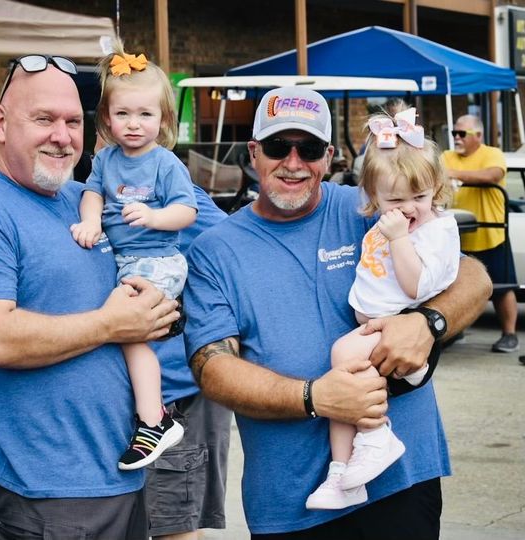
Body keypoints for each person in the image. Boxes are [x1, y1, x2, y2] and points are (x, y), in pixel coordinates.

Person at [183, 86, 491, 537]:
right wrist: (314, 397)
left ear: (328, 156)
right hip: (291, 499)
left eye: (308, 148)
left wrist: (428, 323)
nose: (293, 162)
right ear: (253, 153)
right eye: (277, 146)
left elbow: (473, 278)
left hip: (401, 482)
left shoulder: (373, 204)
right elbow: (213, 368)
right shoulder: (215, 250)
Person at [0, 54, 179, 539]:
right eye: (43, 119)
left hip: (120, 473)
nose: (62, 136)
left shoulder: (83, 199)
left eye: (73, 121)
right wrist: (111, 324)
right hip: (48, 491)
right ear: (0, 123)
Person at [306, 108, 460, 510]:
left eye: (420, 197)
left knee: (342, 357)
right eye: (395, 199)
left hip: (392, 331)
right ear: (373, 197)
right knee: (339, 389)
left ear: (437, 190)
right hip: (374, 325)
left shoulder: (430, 230)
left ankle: (376, 435)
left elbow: (415, 284)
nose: (409, 207)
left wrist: (397, 238)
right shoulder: (389, 221)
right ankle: (342, 475)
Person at [70, 43, 197, 470]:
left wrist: (155, 216)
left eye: (145, 114)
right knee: (120, 332)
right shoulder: (105, 160)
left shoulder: (165, 163)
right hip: (123, 261)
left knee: (128, 332)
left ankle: (154, 420)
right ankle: (145, 411)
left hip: (158, 260)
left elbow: (187, 211)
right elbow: (91, 192)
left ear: (163, 119)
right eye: (123, 114)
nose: (134, 124)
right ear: (106, 118)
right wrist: (90, 221)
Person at [146, 184, 232, 540]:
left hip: (177, 397)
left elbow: (237, 246)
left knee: (175, 527)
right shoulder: (95, 196)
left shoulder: (176, 193)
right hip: (131, 396)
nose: (129, 125)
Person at [442, 114, 520, 353]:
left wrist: (454, 174)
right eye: (454, 133)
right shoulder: (446, 156)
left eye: (462, 133)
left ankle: (509, 334)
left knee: (501, 287)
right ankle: (455, 331)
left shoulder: (492, 154)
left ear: (478, 135)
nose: (456, 138)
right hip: (458, 235)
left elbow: (493, 175)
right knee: (453, 288)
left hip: (490, 232)